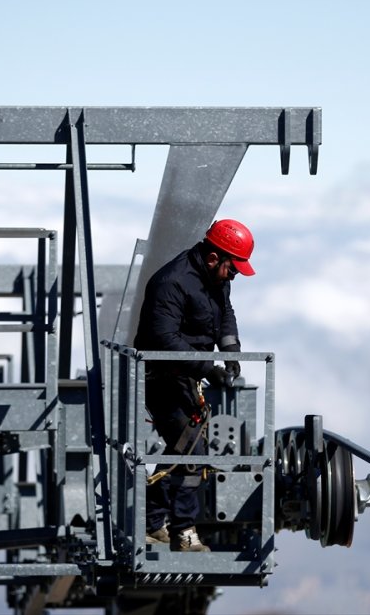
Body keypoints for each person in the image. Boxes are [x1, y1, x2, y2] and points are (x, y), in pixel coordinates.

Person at [133, 218, 255, 552]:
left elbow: (224, 313)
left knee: (184, 447)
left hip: (187, 378)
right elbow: (163, 339)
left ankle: (152, 520)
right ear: (215, 257)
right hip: (160, 378)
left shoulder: (217, 278)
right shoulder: (171, 283)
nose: (234, 277)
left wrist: (231, 351)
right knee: (193, 451)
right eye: (233, 269)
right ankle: (183, 530)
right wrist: (207, 367)